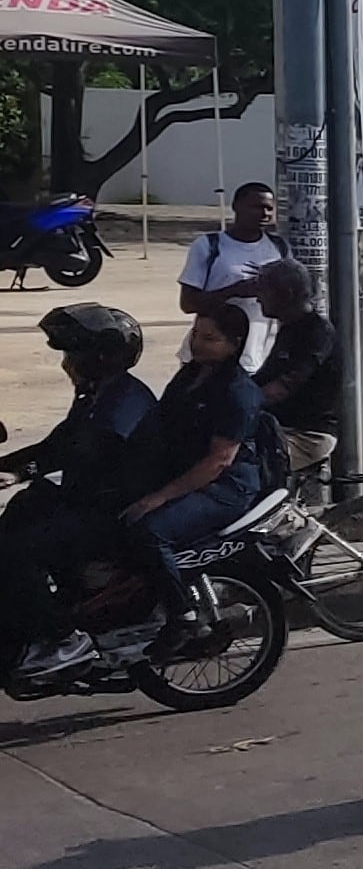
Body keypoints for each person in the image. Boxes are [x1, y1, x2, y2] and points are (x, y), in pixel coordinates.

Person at [0, 306, 158, 675]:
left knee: (15, 552)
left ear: (99, 358)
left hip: (113, 510)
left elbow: (85, 452)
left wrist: (21, 472)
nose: (66, 363)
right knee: (18, 512)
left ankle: (61, 640)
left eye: (73, 354)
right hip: (84, 496)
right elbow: (55, 445)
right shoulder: (95, 395)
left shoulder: (124, 401)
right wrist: (9, 465)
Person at [116, 308, 274, 596]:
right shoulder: (189, 376)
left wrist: (160, 497)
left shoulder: (238, 392)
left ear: (234, 344)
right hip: (181, 473)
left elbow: (218, 461)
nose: (197, 344)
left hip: (223, 488)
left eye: (210, 339)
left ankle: (181, 612)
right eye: (196, 334)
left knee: (150, 532)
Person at [248, 259, 344, 481]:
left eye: (263, 290)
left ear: (286, 294)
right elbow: (260, 380)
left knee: (235, 464)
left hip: (306, 436)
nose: (257, 297)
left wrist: (240, 404)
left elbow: (281, 388)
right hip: (277, 427)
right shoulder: (288, 329)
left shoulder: (318, 333)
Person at [178, 181, 286, 371]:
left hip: (258, 357)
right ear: (236, 206)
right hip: (209, 358)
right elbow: (187, 304)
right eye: (256, 207)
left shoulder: (279, 248)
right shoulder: (209, 246)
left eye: (269, 208)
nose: (264, 214)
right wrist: (235, 291)